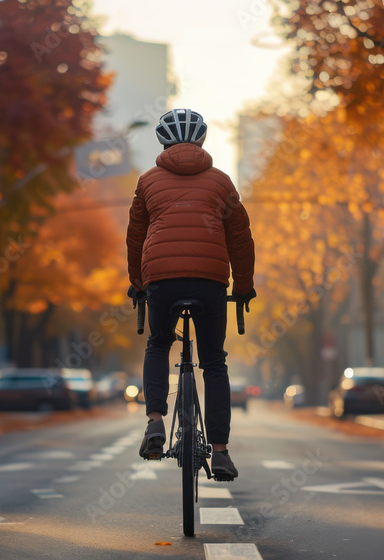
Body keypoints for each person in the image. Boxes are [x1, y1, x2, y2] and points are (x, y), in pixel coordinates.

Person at [127, 109, 255, 481]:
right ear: (201, 141)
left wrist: (139, 283)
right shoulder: (222, 182)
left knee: (158, 344)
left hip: (162, 281)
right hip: (210, 281)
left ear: (163, 142)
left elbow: (135, 237)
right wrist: (244, 287)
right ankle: (221, 453)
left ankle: (154, 423)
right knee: (213, 362)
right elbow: (240, 238)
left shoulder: (147, 181)